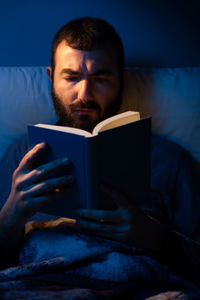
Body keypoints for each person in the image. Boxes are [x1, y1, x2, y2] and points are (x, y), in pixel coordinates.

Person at [0, 17, 199, 288]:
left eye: (101, 78)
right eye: (71, 77)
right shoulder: (21, 154)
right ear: (51, 77)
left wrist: (155, 237)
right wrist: (11, 214)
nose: (85, 93)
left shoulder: (171, 160)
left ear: (122, 80)